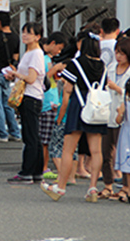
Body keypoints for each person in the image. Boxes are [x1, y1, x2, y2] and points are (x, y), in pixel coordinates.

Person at [41, 32, 106, 202]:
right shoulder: (103, 66)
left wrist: (61, 115)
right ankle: (93, 188)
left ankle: (60, 187)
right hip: (96, 109)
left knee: (68, 150)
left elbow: (67, 91)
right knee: (96, 150)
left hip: (78, 106)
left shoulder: (76, 63)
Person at [6, 22, 45, 184]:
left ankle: (27, 172)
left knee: (30, 137)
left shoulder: (35, 53)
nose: (25, 35)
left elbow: (31, 78)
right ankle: (36, 172)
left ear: (38, 37)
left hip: (31, 97)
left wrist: (16, 74)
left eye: (29, 33)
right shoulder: (29, 53)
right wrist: (14, 76)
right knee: (33, 136)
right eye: (23, 32)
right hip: (29, 97)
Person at [100, 37, 130, 199]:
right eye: (117, 52)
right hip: (108, 115)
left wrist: (117, 88)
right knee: (106, 153)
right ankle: (108, 185)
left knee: (124, 154)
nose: (119, 56)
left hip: (124, 118)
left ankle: (126, 187)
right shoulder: (110, 68)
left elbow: (127, 94)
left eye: (122, 53)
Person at [40, 32, 67, 179]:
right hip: (46, 103)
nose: (59, 51)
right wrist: (55, 69)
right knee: (45, 139)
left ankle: (44, 166)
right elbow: (43, 79)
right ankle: (44, 168)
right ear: (53, 43)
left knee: (47, 138)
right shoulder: (43, 59)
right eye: (59, 48)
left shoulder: (48, 58)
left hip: (52, 101)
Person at [0, 11, 21, 143]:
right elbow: (16, 57)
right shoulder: (15, 37)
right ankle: (15, 133)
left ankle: (2, 134)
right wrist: (12, 69)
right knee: (8, 104)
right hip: (9, 73)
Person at [113, 79, 130, 202]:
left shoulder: (125, 104)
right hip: (126, 133)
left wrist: (119, 113)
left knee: (127, 164)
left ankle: (128, 189)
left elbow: (118, 120)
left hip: (127, 134)